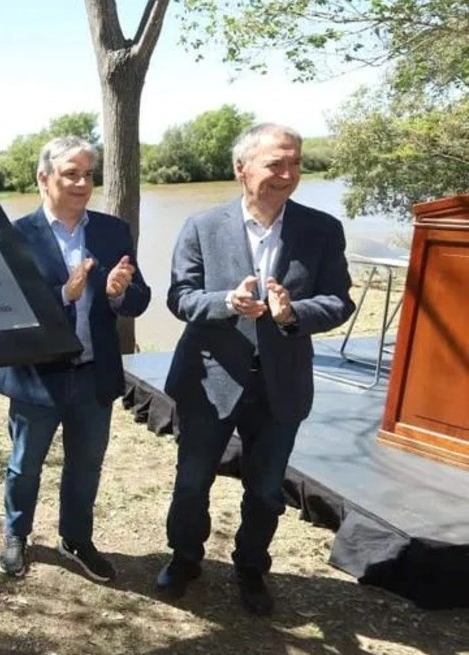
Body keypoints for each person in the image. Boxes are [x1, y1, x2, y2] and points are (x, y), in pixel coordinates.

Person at [157, 123, 355, 615]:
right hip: (209, 380)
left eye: (295, 164)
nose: (287, 174)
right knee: (191, 482)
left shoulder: (322, 229)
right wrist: (227, 302)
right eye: (275, 164)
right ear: (241, 168)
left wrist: (293, 314)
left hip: (281, 384)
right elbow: (179, 298)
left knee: (266, 491)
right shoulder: (202, 226)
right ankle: (184, 559)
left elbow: (338, 300)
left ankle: (250, 568)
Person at [0, 137, 151, 581]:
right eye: (71, 173)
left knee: (86, 465)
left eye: (88, 174)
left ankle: (76, 538)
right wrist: (66, 294)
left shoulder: (112, 231)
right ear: (44, 178)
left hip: (92, 375)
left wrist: (119, 294)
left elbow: (139, 297)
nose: (82, 183)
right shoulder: (16, 235)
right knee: (25, 464)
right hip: (36, 376)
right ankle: (16, 532)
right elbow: (10, 310)